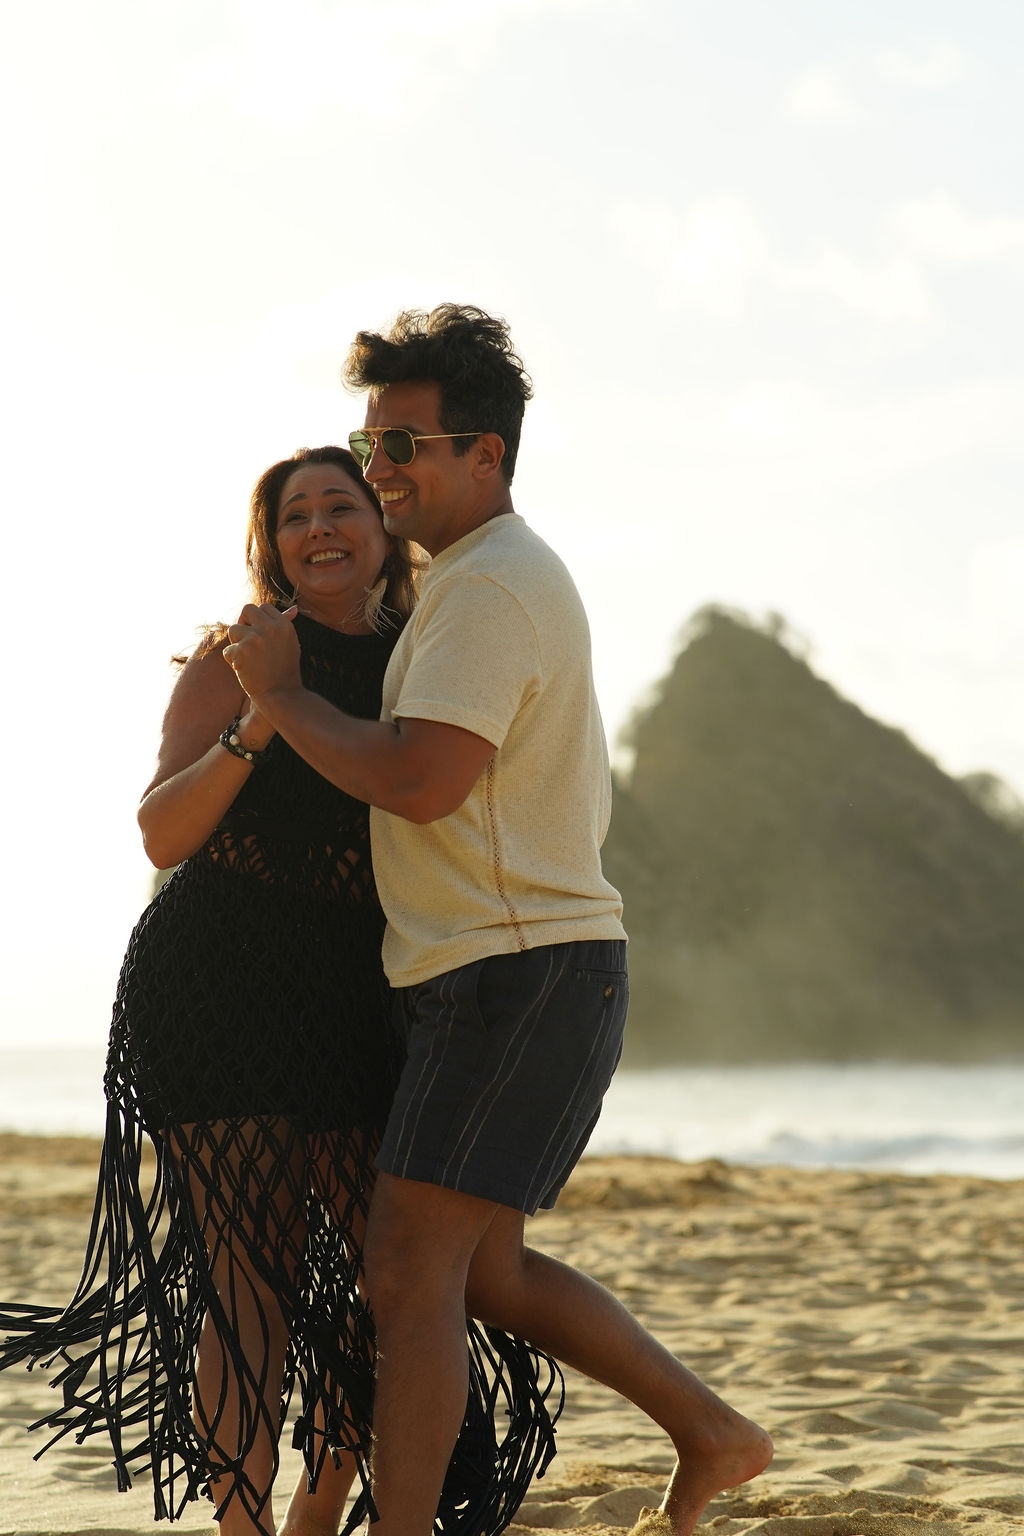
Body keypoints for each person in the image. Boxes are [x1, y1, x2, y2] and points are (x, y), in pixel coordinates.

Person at [220, 305, 774, 1536]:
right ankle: (712, 1432)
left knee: (408, 1271)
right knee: (486, 1273)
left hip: (512, 973)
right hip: (500, 971)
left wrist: (284, 699)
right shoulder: (465, 581)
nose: (379, 469)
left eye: (403, 445)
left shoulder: (489, 592)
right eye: (373, 442)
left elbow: (421, 781)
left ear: (487, 454)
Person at [0, 446, 560, 1536]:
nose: (319, 529)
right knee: (247, 1278)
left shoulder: (425, 654)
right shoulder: (240, 655)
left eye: (340, 506)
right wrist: (262, 711)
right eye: (294, 515)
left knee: (384, 1279)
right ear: (272, 545)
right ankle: (242, 1526)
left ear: (383, 529)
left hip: (362, 994)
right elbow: (162, 832)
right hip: (219, 981)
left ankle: (321, 1505)